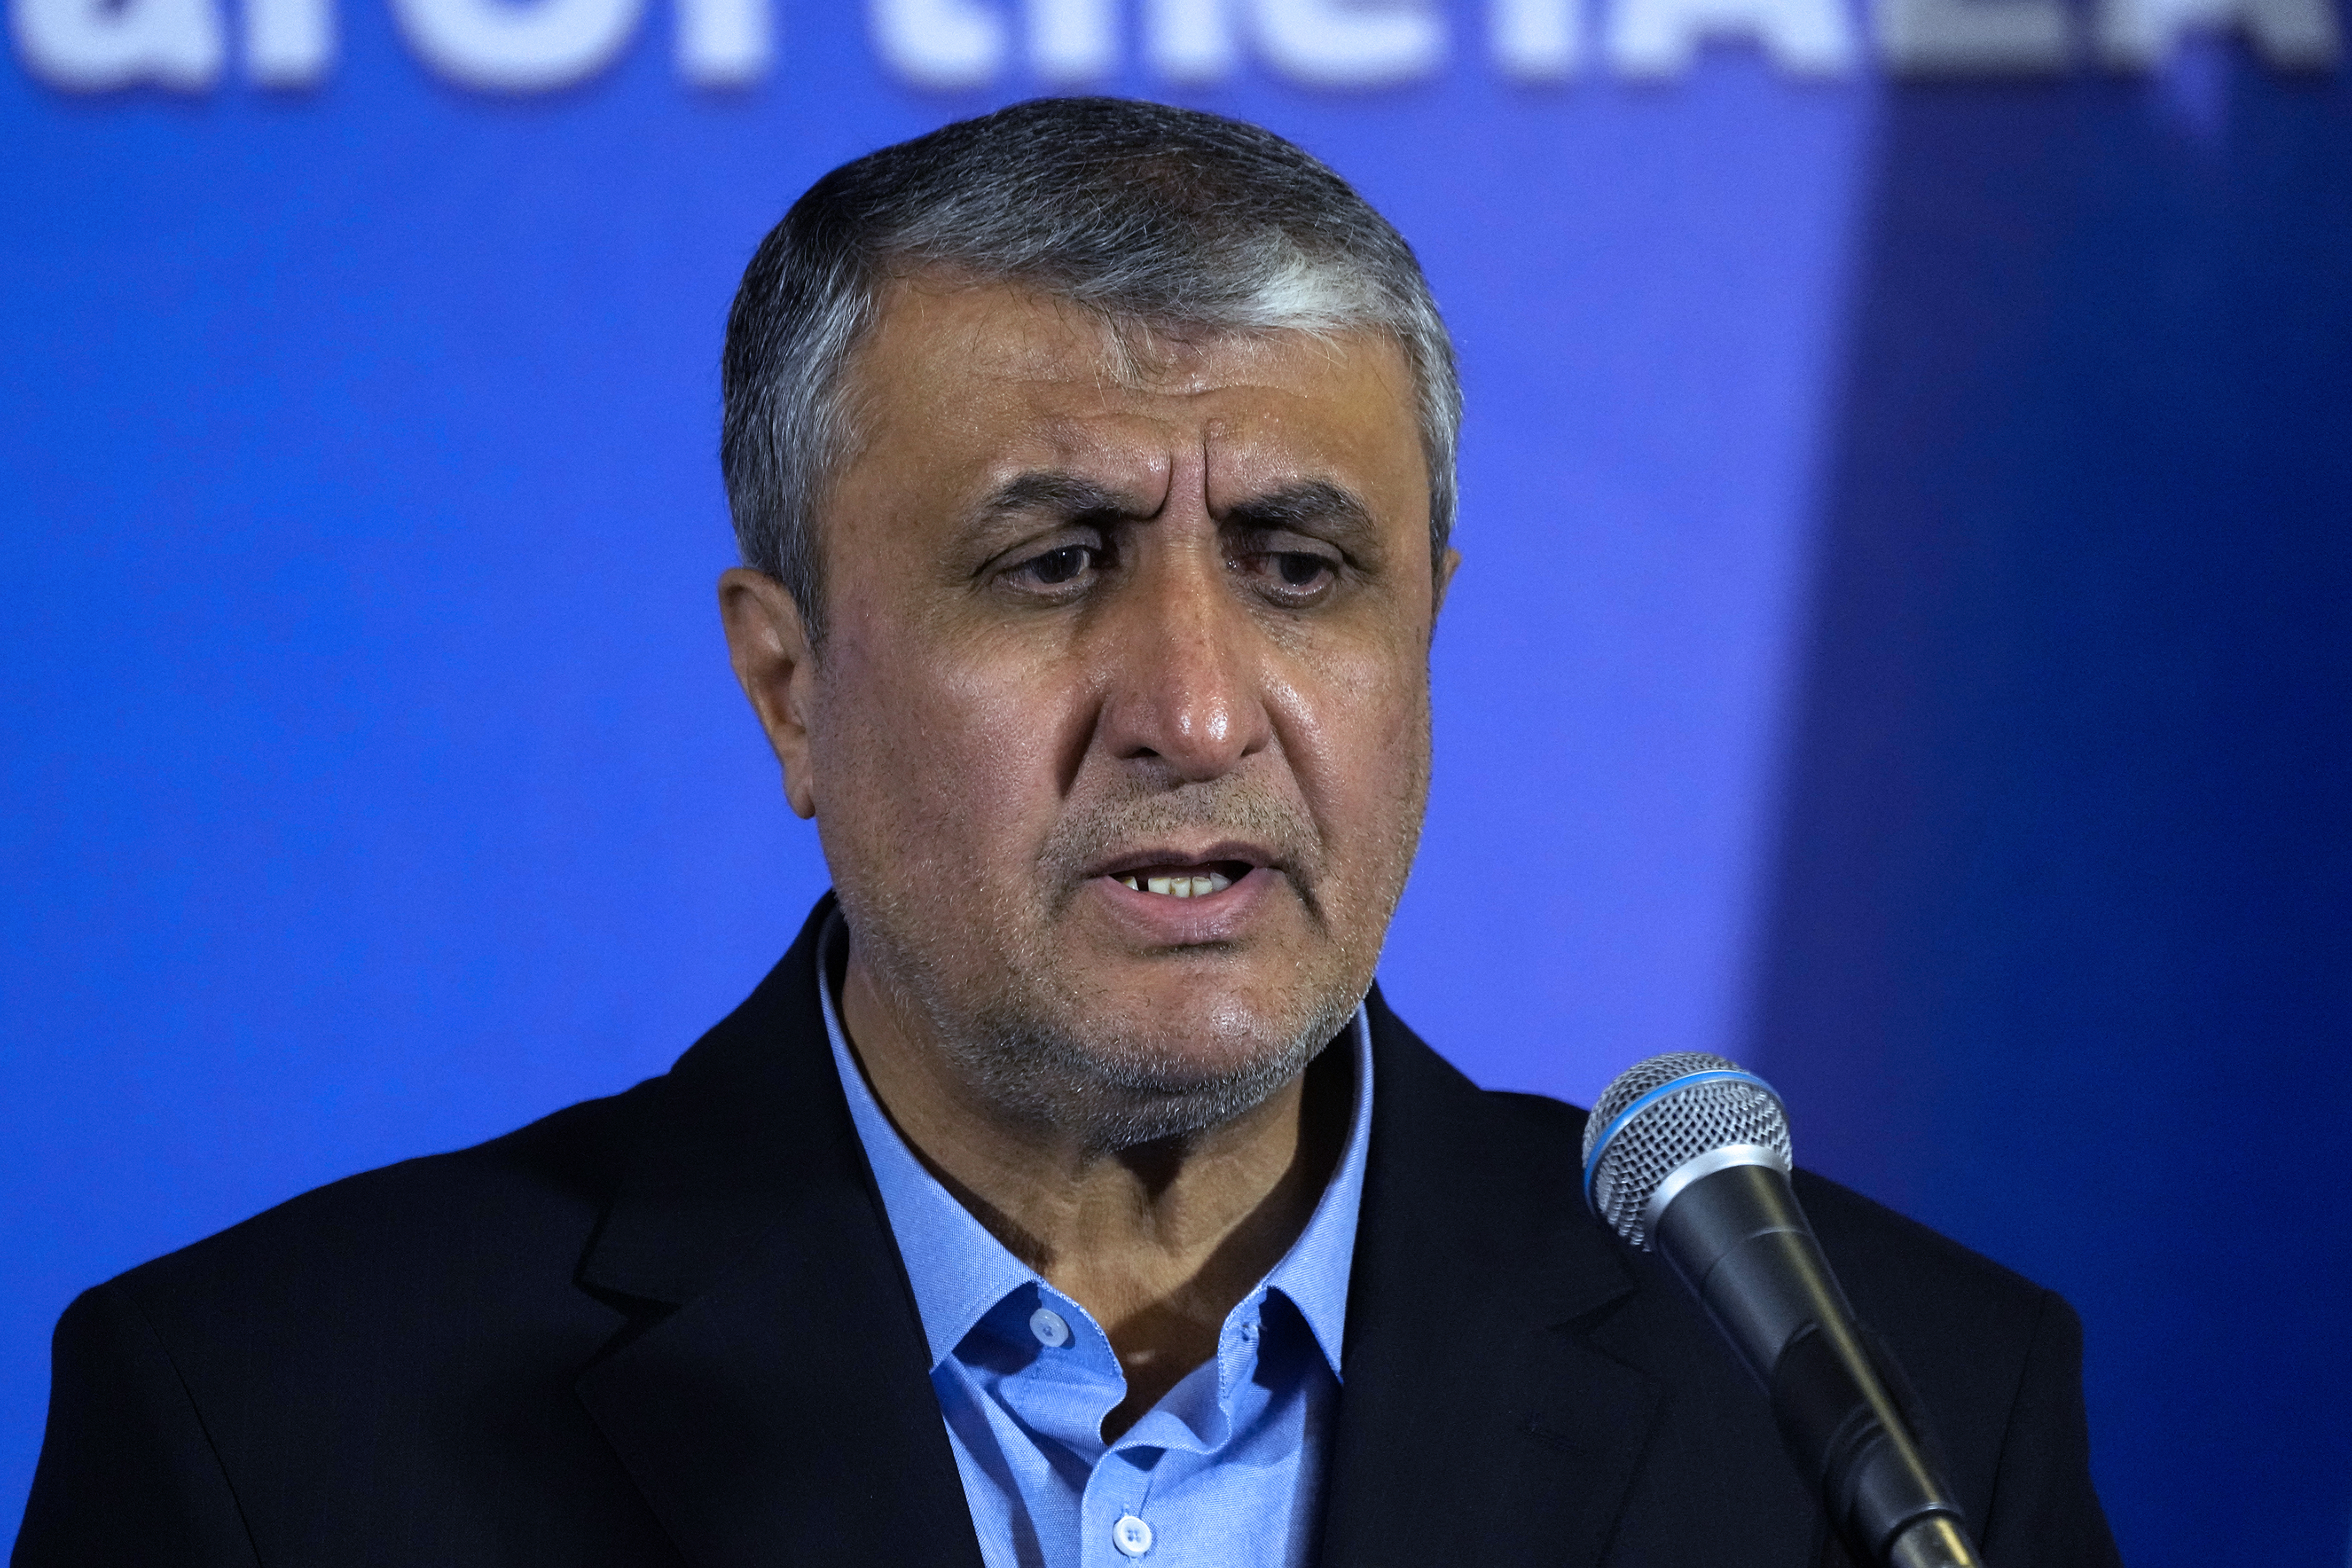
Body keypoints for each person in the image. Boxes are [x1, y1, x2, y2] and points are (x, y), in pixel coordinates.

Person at [13, 98, 2120, 1568]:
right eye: (1050, 565)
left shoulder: (1891, 1420)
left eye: (1300, 567)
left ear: (1426, 639)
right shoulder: (273, 1435)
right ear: (788, 688)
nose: (1196, 710)